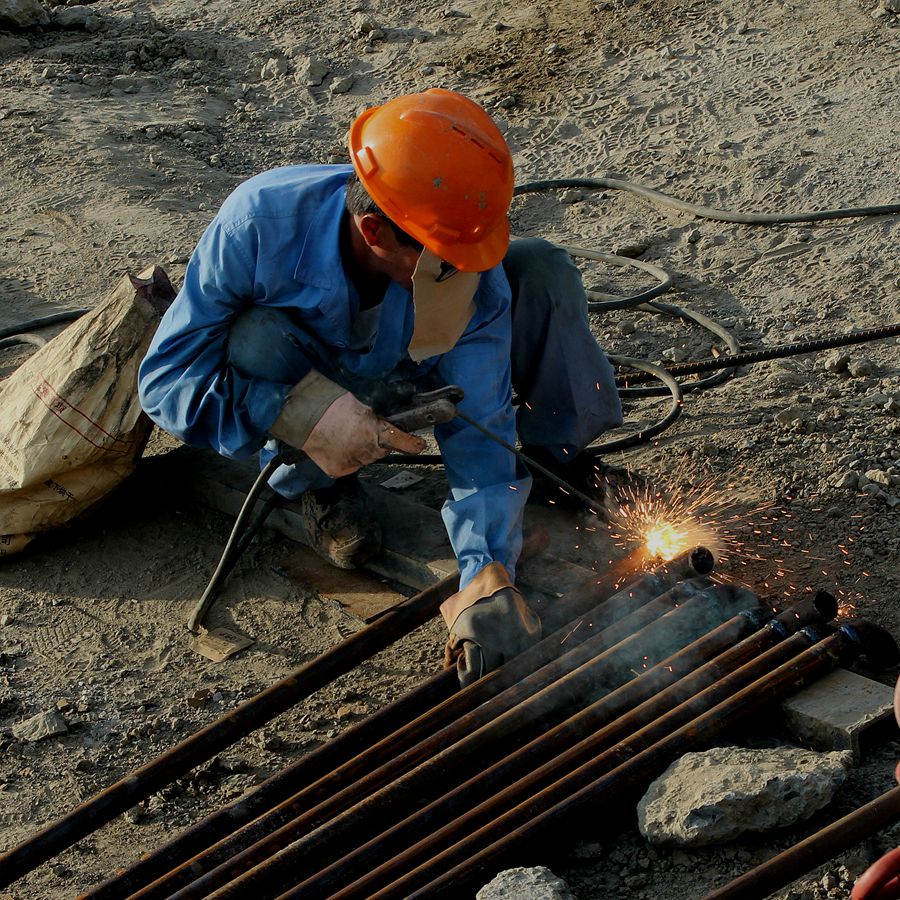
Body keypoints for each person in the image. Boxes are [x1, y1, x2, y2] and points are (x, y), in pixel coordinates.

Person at [138, 88, 623, 685]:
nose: (467, 273)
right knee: (253, 337)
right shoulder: (260, 225)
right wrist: (295, 413)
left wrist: (485, 570)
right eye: (446, 260)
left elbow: (483, 429)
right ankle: (320, 485)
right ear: (375, 231)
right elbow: (165, 383)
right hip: (303, 380)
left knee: (540, 268)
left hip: (402, 370)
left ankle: (558, 461)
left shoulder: (466, 266)